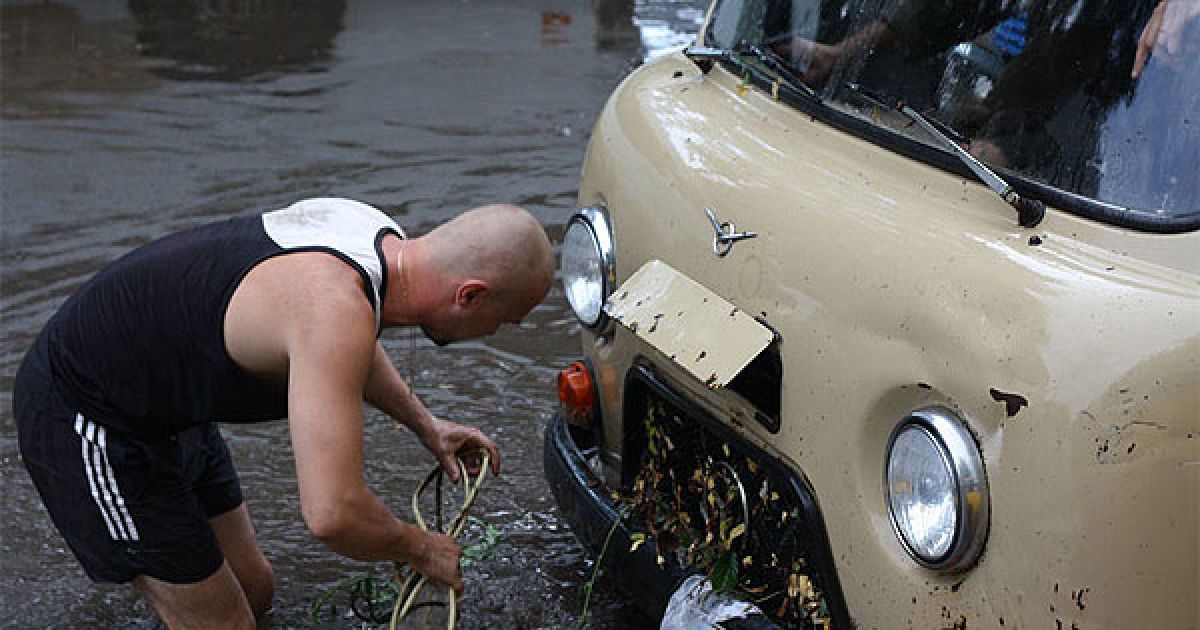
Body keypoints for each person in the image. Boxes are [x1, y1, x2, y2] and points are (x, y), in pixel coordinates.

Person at [13, 197, 556, 629]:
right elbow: (333, 515)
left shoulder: (372, 237)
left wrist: (425, 424)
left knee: (255, 592)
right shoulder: (334, 308)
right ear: (469, 296)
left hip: (164, 396)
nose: (495, 333)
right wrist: (420, 548)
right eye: (504, 321)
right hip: (87, 414)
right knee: (226, 624)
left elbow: (346, 341)